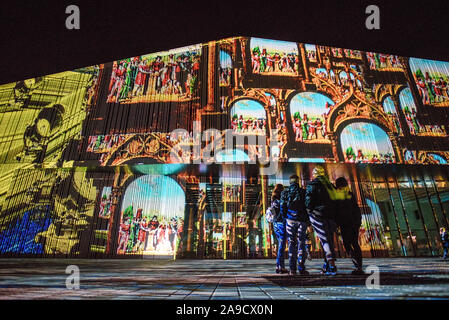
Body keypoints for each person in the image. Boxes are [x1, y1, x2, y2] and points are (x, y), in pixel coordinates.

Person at [305, 165, 338, 275]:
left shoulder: (312, 185)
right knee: (329, 240)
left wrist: (309, 213)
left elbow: (308, 201)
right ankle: (327, 265)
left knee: (324, 240)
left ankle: (332, 264)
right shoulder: (330, 186)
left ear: (315, 175)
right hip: (331, 216)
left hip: (318, 216)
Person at [334, 177, 364, 275]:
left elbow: (339, 212)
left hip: (346, 224)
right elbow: (355, 210)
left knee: (348, 243)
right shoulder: (350, 195)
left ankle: (357, 264)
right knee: (353, 243)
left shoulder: (340, 196)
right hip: (352, 223)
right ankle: (358, 265)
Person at [280, 175, 310, 275]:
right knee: (301, 241)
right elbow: (307, 205)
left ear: (290, 182)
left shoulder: (285, 192)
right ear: (298, 181)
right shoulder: (303, 192)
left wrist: (285, 218)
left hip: (290, 220)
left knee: (292, 243)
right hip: (302, 220)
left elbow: (282, 206)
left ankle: (292, 269)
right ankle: (301, 267)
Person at [269, 184, 288, 274]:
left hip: (275, 223)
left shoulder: (273, 199)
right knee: (282, 245)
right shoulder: (281, 199)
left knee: (280, 244)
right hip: (281, 223)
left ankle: (279, 265)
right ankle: (280, 266)